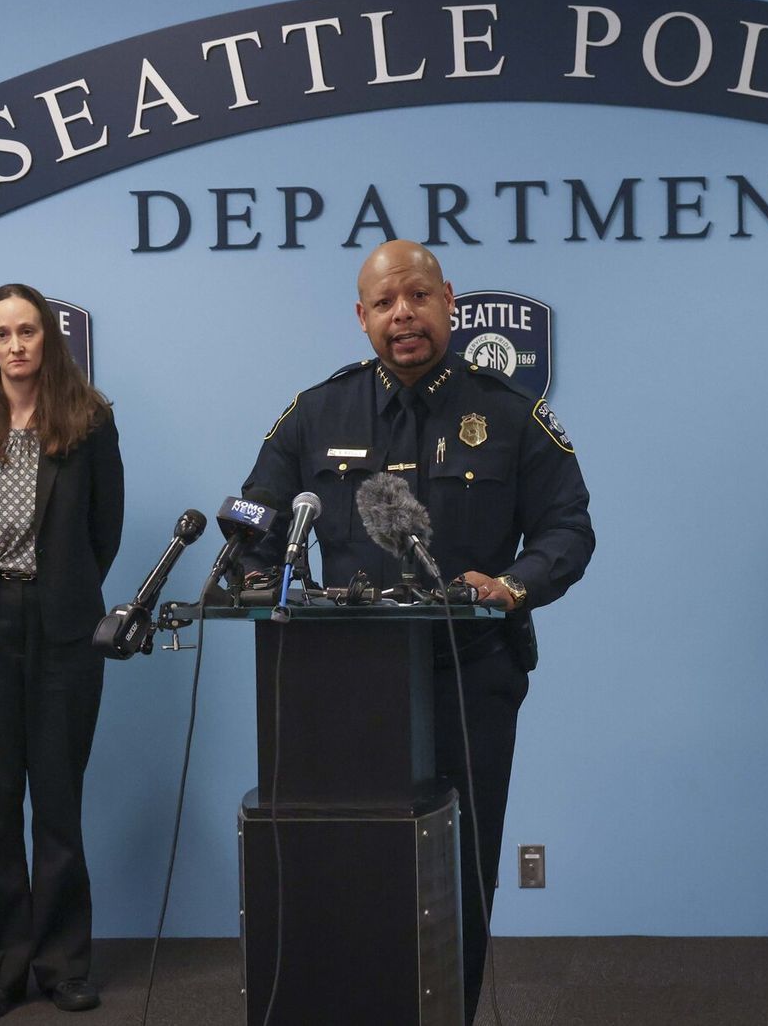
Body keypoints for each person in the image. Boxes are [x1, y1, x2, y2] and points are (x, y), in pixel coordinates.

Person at [238, 239, 593, 1024]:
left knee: (461, 870)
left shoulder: (508, 413)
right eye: (385, 303)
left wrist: (512, 585)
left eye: (419, 297)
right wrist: (246, 568)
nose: (404, 315)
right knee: (347, 861)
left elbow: (568, 529)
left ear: (449, 303)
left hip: (468, 671)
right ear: (361, 318)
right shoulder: (315, 412)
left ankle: (450, 1014)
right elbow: (258, 514)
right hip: (345, 683)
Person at [0, 283, 124, 1022]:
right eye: (3, 334)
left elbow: (104, 530)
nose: (15, 346)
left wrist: (63, 594)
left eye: (28, 332)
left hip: (66, 629)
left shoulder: (88, 422)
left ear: (50, 339)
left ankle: (63, 963)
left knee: (60, 805)